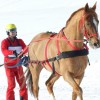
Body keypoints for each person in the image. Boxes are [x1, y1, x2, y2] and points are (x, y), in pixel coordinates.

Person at [1, 24, 28, 100]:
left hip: (18, 66)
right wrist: (12, 52)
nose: (13, 32)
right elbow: (4, 51)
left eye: (14, 31)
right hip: (9, 67)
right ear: (8, 33)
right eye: (11, 31)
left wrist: (24, 52)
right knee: (11, 85)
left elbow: (26, 48)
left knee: (23, 85)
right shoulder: (4, 42)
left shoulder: (20, 41)